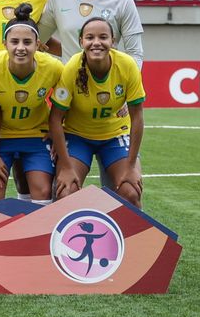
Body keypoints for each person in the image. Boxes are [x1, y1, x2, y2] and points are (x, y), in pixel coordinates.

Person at [49, 17, 145, 207]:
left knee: (131, 192)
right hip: (77, 137)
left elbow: (137, 116)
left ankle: (125, 236)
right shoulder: (72, 69)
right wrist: (66, 167)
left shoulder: (127, 66)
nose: (96, 43)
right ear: (81, 42)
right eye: (90, 37)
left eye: (103, 37)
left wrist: (131, 165)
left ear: (113, 41)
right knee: (66, 191)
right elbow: (55, 119)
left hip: (114, 135)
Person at [0, 3, 63, 204]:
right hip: (1, 136)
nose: (20, 48)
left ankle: (37, 234)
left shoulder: (53, 67)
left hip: (35, 136)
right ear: (4, 43)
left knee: (42, 189)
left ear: (38, 44)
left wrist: (59, 129)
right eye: (14, 41)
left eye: (27, 42)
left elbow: (72, 94)